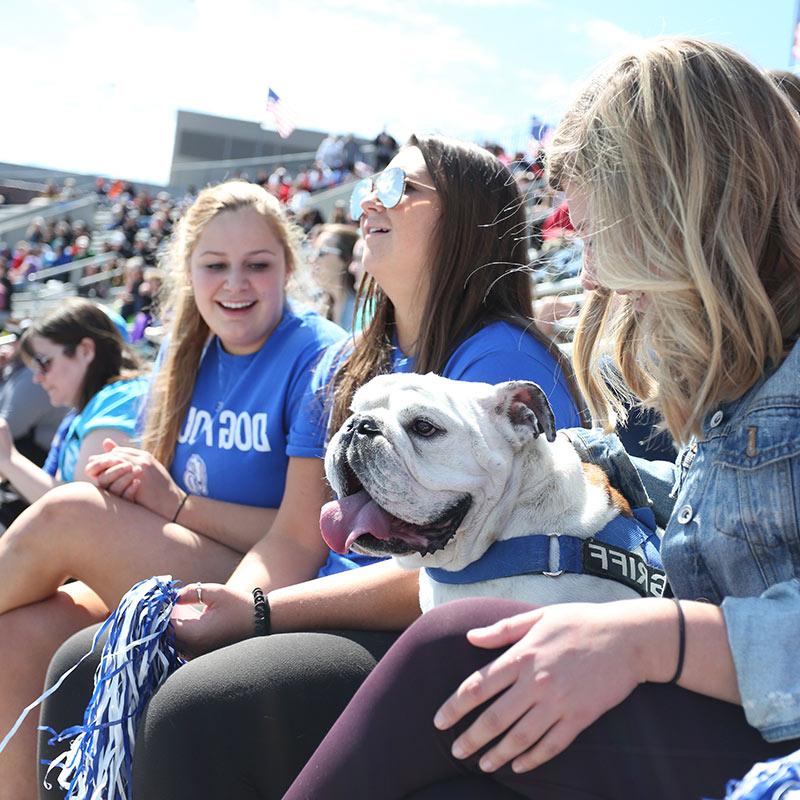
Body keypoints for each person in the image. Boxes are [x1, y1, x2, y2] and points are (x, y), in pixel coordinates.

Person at [282, 38, 800, 800]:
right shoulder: (734, 379)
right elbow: (740, 525)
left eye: (595, 236)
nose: (586, 272)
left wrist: (655, 640)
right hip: (718, 713)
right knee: (234, 713)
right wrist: (606, 465)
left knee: (457, 649)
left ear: (682, 213)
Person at [39, 135, 585, 800]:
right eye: (370, 187)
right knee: (88, 661)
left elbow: (466, 571)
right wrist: (233, 603)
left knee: (193, 707)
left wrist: (261, 615)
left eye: (401, 189)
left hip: (435, 632)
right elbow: (297, 537)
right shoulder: (348, 364)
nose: (370, 201)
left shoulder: (502, 365)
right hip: (329, 611)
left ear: (467, 222)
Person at [0, 180, 344, 800]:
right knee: (16, 635)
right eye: (215, 265)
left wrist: (177, 505)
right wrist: (139, 486)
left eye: (257, 265)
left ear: (288, 268)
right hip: (191, 558)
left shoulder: (319, 357)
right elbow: (162, 504)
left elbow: (304, 539)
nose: (235, 283)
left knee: (73, 512)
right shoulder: (186, 354)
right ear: (189, 271)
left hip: (275, 585)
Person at [0, 299, 148, 506]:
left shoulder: (121, 399)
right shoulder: (88, 407)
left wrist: (9, 461)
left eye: (44, 363)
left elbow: (80, 513)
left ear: (86, 350)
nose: (37, 378)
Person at [309, 223, 360, 330]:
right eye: (313, 252)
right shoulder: (317, 307)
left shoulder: (364, 311)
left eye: (322, 252)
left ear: (346, 259)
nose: (312, 259)